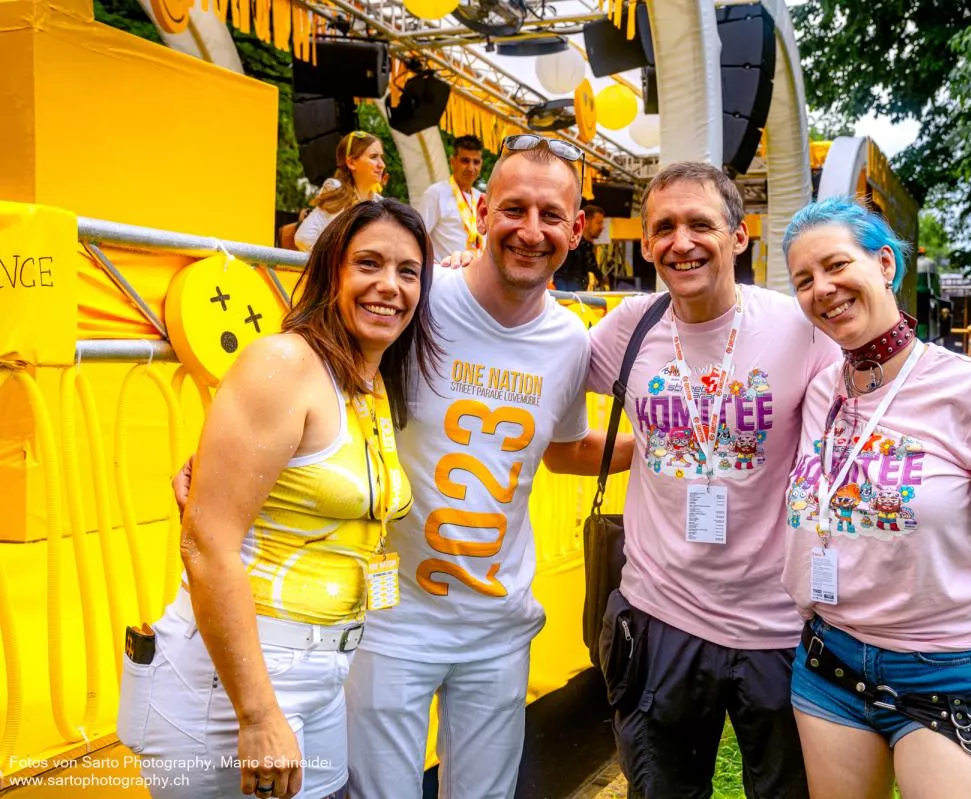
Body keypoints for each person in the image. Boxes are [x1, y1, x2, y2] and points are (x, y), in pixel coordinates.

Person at [121, 199, 439, 799]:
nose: (389, 286)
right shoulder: (286, 362)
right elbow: (206, 544)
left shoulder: (367, 382)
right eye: (368, 263)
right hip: (233, 681)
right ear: (331, 272)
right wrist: (258, 714)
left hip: (322, 672)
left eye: (408, 271)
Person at [346, 134, 630, 799]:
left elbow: (562, 448)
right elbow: (318, 369)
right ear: (481, 213)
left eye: (550, 215)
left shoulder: (568, 340)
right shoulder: (419, 301)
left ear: (576, 231)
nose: (530, 231)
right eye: (513, 209)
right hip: (392, 620)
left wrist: (660, 452)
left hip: (498, 626)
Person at [780, 198, 971, 799]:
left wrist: (960, 648)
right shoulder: (821, 390)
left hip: (942, 673)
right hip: (828, 665)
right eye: (804, 279)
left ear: (885, 264)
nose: (822, 288)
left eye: (836, 265)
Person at [584, 162, 840, 798]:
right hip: (661, 619)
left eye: (700, 224)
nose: (682, 242)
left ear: (739, 236)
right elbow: (532, 351)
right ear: (647, 245)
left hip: (780, 625)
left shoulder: (800, 329)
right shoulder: (628, 329)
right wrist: (464, 274)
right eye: (663, 228)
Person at [294, 132, 386, 252]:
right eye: (373, 157)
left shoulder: (380, 203)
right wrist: (331, 260)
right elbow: (303, 238)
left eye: (381, 157)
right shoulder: (336, 190)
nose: (382, 165)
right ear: (351, 163)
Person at [419, 134, 485, 263]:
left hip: (476, 271)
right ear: (453, 162)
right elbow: (418, 237)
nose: (471, 168)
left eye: (476, 162)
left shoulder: (480, 198)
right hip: (446, 270)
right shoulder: (436, 193)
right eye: (465, 161)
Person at [554, 204, 604, 291]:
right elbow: (562, 276)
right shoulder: (572, 246)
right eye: (598, 223)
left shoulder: (587, 247)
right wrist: (567, 296)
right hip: (569, 295)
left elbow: (592, 269)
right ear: (585, 222)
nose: (602, 227)